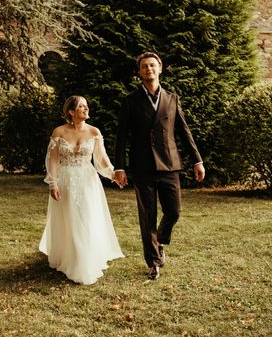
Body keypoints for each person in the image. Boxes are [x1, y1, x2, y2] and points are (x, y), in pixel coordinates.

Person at [114, 52, 205, 280]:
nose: (149, 69)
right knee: (148, 217)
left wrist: (197, 159)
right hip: (142, 166)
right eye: (144, 66)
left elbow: (184, 131)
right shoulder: (130, 101)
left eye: (152, 65)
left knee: (174, 211)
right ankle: (153, 262)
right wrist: (120, 167)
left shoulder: (172, 98)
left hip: (169, 164)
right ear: (140, 72)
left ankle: (161, 240)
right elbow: (121, 137)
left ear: (160, 69)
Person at [39, 95, 124, 285]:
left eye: (87, 106)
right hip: (65, 180)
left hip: (88, 181)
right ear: (71, 111)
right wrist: (53, 183)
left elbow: (101, 160)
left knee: (87, 217)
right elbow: (52, 160)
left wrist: (113, 175)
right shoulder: (59, 132)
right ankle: (70, 256)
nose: (86, 109)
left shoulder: (94, 132)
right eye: (81, 106)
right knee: (69, 218)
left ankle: (86, 257)